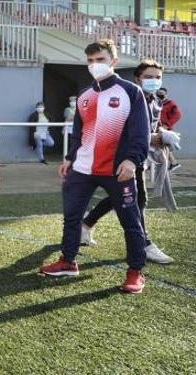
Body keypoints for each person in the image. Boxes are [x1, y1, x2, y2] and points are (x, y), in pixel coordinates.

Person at [39, 39, 149, 294]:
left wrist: (132, 160)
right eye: (90, 61)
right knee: (72, 217)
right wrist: (69, 158)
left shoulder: (131, 92)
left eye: (99, 60)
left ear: (113, 62)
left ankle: (135, 271)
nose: (94, 65)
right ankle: (68, 261)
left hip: (117, 170)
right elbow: (79, 132)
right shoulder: (85, 96)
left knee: (131, 222)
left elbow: (140, 133)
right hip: (82, 169)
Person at [81, 59, 173, 264]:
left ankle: (85, 225)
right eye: (148, 77)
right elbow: (122, 131)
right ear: (138, 78)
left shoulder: (155, 101)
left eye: (157, 77)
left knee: (120, 197)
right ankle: (145, 244)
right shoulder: (127, 97)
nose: (154, 81)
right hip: (123, 159)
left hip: (139, 158)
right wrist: (155, 138)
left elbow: (149, 129)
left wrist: (162, 134)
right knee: (138, 200)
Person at [157, 87, 182, 172]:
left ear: (165, 94)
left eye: (162, 93)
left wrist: (167, 125)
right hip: (157, 127)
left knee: (162, 146)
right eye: (158, 93)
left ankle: (173, 163)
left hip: (165, 129)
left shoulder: (170, 103)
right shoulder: (156, 102)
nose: (160, 95)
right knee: (161, 146)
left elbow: (178, 115)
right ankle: (173, 163)